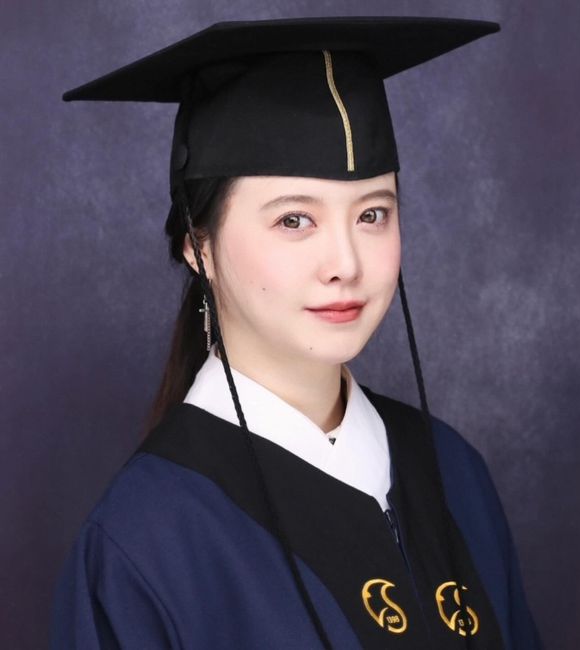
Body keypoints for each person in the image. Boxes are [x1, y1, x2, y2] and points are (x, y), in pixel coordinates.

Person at [50, 16, 543, 650]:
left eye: (372, 213)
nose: (345, 263)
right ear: (198, 245)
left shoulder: (453, 470)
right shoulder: (143, 542)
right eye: (294, 221)